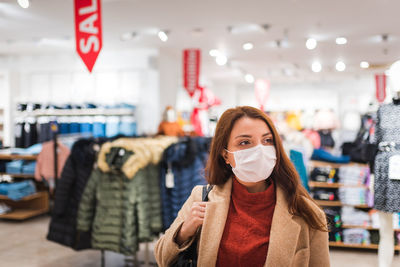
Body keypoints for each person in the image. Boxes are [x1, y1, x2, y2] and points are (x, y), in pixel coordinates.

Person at [154, 106, 330, 267]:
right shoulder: (201, 198)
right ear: (225, 155)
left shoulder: (307, 213)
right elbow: (162, 258)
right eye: (245, 142)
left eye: (267, 140)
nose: (260, 150)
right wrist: (185, 230)